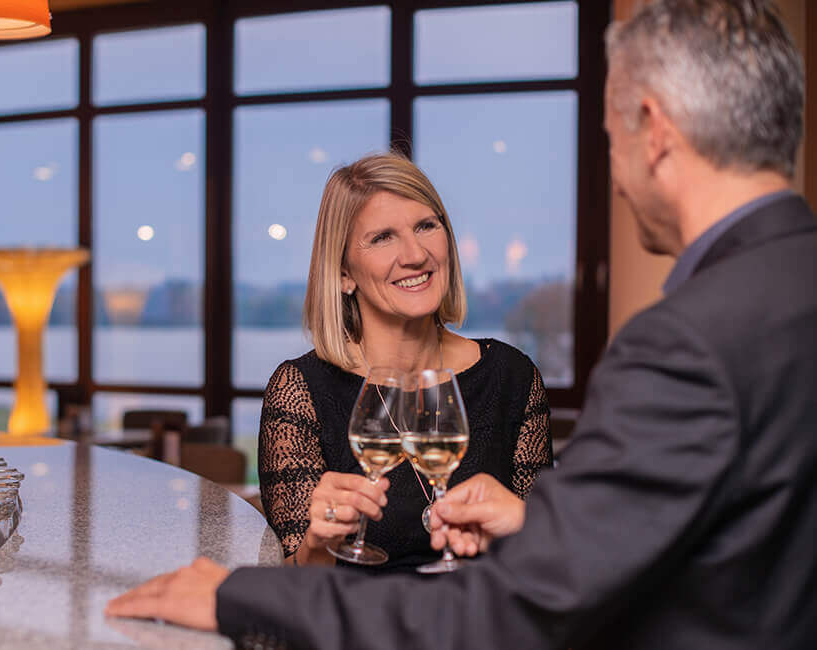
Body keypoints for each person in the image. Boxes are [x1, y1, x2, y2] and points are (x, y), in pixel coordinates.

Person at [105, 1, 817, 647]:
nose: (618, 175)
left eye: (610, 141)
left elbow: (515, 609)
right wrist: (529, 527)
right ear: (343, 270)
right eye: (384, 238)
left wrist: (240, 598)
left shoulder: (681, 343)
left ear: (655, 132)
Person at [259, 152, 552, 571]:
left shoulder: (514, 377)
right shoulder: (299, 391)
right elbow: (295, 585)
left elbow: (547, 565)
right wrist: (319, 543)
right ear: (343, 273)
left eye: (425, 226)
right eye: (382, 237)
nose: (415, 254)